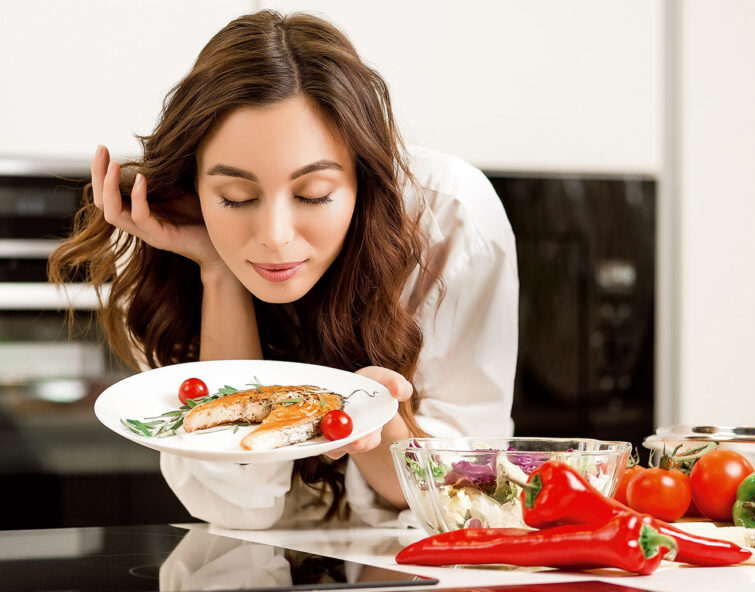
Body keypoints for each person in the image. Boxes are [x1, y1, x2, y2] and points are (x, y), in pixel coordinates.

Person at [48, 10, 518, 529]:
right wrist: (216, 271)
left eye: (313, 195)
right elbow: (235, 506)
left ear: (363, 179)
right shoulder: (164, 235)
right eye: (236, 196)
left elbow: (465, 495)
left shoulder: (450, 217)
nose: (274, 234)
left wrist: (369, 415)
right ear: (195, 183)